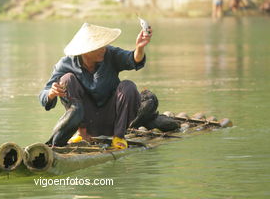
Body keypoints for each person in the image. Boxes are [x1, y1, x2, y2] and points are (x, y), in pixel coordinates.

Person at [39, 23, 179, 149]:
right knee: (67, 79)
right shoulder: (65, 64)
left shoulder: (111, 54)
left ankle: (119, 137)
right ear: (86, 51)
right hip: (85, 119)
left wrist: (140, 47)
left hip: (112, 120)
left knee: (128, 86)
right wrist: (51, 93)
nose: (104, 49)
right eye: (99, 47)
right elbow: (44, 94)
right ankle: (82, 133)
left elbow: (133, 59)